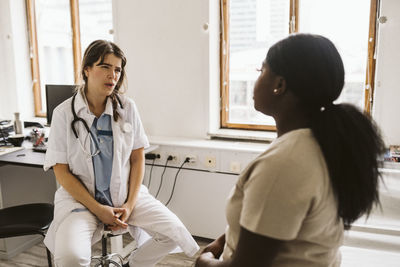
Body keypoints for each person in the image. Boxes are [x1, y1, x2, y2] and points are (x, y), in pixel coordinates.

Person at [196, 34, 386, 267]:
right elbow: (271, 220)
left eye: (261, 70)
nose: (256, 79)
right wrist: (222, 241)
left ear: (279, 85)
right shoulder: (317, 144)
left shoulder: (285, 163)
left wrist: (204, 261)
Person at [43, 40, 199, 267]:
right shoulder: (64, 114)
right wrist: (99, 210)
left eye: (117, 69)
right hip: (82, 201)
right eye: (105, 67)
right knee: (71, 258)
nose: (112, 75)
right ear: (87, 69)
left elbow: (137, 158)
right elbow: (62, 172)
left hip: (124, 197)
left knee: (175, 233)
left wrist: (129, 205)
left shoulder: (127, 108)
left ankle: (131, 264)